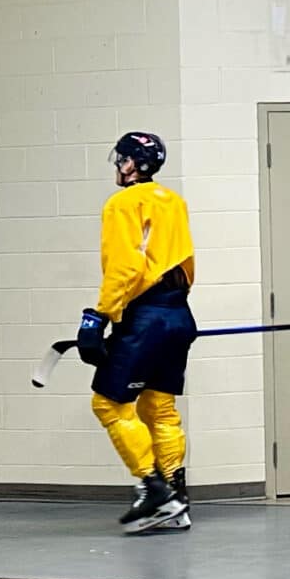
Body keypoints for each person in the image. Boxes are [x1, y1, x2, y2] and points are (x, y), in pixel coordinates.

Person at [75, 131, 198, 535]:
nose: (117, 164)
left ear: (133, 164)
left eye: (122, 158)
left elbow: (125, 267)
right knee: (159, 408)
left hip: (144, 316)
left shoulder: (122, 203)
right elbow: (183, 261)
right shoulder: (173, 201)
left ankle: (155, 492)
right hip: (177, 313)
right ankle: (176, 497)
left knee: (108, 405)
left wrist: (100, 316)